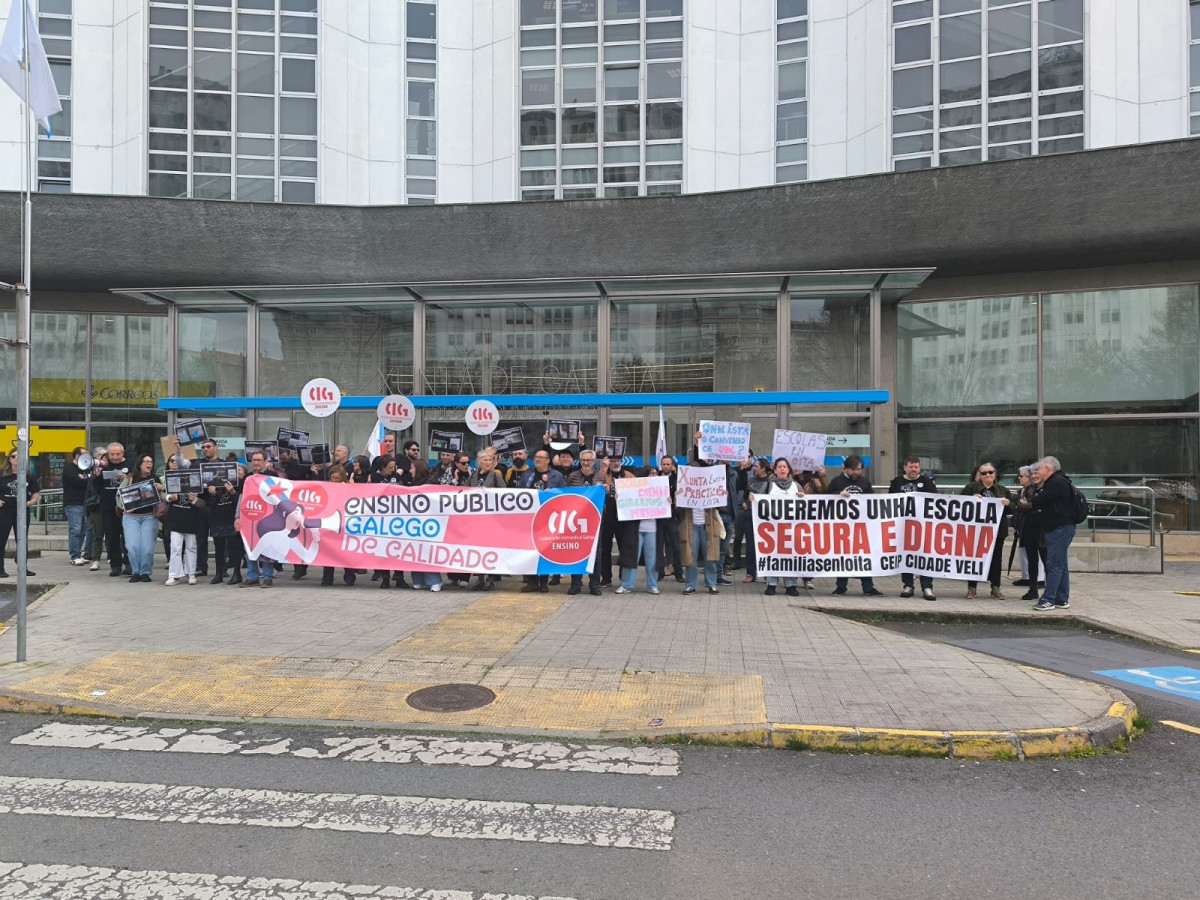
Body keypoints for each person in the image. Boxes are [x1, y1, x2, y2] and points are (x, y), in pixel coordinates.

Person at [1021, 456, 1075, 611]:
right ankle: (1061, 599)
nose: (1037, 471)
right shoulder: (1060, 481)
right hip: (1061, 527)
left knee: (1054, 565)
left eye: (1040, 468)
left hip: (1060, 528)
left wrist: (1030, 504)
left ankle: (1048, 599)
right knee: (1061, 565)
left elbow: (1040, 500)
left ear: (1049, 468)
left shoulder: (1056, 482)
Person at [828, 455, 882, 596]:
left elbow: (872, 502)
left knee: (864, 557)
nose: (857, 473)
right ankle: (841, 586)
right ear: (845, 468)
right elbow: (826, 499)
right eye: (854, 470)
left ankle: (868, 587)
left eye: (859, 470)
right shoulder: (836, 481)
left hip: (861, 527)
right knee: (843, 556)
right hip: (842, 527)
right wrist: (837, 494)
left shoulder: (864, 482)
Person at [960, 462, 1013, 600]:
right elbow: (959, 504)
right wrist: (970, 499)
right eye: (984, 473)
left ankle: (995, 587)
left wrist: (1008, 504)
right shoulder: (971, 488)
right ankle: (972, 588)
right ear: (980, 475)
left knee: (996, 559)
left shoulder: (1002, 490)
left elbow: (1013, 508)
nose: (987, 475)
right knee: (974, 558)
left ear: (995, 475)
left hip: (996, 531)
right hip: (976, 531)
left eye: (990, 472)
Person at [889, 456, 939, 601]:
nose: (914, 470)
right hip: (903, 526)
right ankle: (908, 585)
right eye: (911, 467)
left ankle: (927, 586)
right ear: (905, 467)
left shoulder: (927, 482)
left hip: (923, 526)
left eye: (916, 467)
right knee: (905, 555)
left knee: (924, 555)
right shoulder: (897, 482)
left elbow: (935, 501)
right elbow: (890, 502)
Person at [517, 449, 565, 592]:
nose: (537, 459)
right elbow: (520, 493)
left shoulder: (557, 476)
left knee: (544, 549)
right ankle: (532, 581)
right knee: (530, 549)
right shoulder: (527, 474)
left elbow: (564, 494)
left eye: (541, 457)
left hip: (548, 518)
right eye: (536, 457)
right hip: (530, 518)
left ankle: (543, 582)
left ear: (548, 460)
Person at [370, 455, 412, 589]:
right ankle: (385, 577)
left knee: (398, 548)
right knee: (383, 549)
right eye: (389, 467)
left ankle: (399, 577)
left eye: (393, 467)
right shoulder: (375, 477)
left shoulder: (396, 477)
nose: (392, 470)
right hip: (381, 518)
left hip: (396, 518)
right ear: (382, 467)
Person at [566, 449, 604, 596]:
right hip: (576, 522)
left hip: (595, 522)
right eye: (584, 460)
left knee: (596, 554)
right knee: (576, 552)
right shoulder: (572, 476)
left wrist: (605, 490)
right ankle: (576, 584)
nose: (586, 463)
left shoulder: (600, 477)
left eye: (589, 460)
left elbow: (605, 497)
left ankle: (594, 584)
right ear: (580, 461)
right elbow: (566, 495)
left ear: (594, 462)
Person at [118, 454, 161, 584]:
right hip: (131, 517)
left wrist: (161, 488)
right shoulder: (130, 478)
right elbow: (119, 495)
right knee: (132, 546)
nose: (149, 463)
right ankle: (136, 572)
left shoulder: (156, 479)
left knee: (147, 548)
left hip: (149, 517)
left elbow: (165, 495)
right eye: (146, 461)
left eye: (151, 461)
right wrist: (125, 506)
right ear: (140, 464)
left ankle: (145, 572)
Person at [467, 449, 505, 591]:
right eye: (485, 460)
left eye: (490, 460)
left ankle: (490, 577)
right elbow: (464, 491)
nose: (488, 463)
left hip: (491, 519)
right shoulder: (473, 476)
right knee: (477, 549)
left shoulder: (496, 476)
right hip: (476, 519)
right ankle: (480, 578)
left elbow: (504, 493)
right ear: (479, 462)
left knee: (490, 548)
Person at [763, 458, 801, 597]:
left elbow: (806, 505)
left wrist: (803, 498)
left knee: (791, 556)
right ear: (775, 470)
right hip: (773, 529)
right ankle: (771, 584)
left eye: (785, 466)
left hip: (792, 529)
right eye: (779, 467)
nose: (782, 469)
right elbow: (759, 503)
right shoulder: (768, 486)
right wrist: (753, 499)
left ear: (789, 470)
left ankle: (791, 585)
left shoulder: (796, 486)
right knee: (773, 555)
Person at [239, 450, 277, 588]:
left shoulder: (273, 476)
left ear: (265, 462)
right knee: (249, 547)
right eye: (253, 460)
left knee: (267, 547)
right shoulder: (248, 478)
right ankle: (252, 576)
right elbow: (241, 498)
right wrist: (237, 517)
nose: (255, 462)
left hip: (267, 517)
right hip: (250, 517)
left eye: (258, 460)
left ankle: (267, 577)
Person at [94, 442, 132, 577]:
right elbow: (96, 488)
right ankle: (115, 565)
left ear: (123, 453)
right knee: (111, 537)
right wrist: (96, 476)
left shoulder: (130, 465)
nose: (115, 457)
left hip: (126, 507)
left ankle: (129, 564)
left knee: (128, 537)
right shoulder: (103, 466)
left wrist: (127, 478)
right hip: (108, 507)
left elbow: (138, 482)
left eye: (118, 454)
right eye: (112, 454)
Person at [0, 450, 39, 578]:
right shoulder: (2, 474)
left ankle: (22, 566)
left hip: (22, 510)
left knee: (22, 539)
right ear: (9, 459)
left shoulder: (28, 475)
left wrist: (31, 502)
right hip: (5, 510)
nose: (16, 458)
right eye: (13, 456)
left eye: (19, 456)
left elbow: (35, 491)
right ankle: (0, 568)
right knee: (1, 539)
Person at [163, 474, 205, 586]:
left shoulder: (197, 482)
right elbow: (163, 494)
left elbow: (204, 503)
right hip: (176, 518)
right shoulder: (173, 479)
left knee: (191, 547)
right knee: (175, 548)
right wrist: (170, 498)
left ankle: (191, 574)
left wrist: (194, 499)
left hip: (191, 519)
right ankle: (174, 575)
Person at [205, 460, 241, 585]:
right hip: (217, 518)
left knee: (234, 547)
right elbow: (209, 504)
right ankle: (219, 573)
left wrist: (232, 492)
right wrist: (213, 494)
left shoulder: (236, 483)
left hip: (231, 517)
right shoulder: (212, 485)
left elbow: (239, 502)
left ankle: (237, 573)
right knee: (218, 548)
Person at [319, 465, 356, 587]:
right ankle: (327, 578)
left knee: (345, 551)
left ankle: (349, 575)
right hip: (330, 523)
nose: (334, 481)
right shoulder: (325, 488)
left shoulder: (347, 488)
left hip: (344, 522)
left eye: (337, 478)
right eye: (333, 478)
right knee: (329, 550)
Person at [1011, 466, 1045, 591]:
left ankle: (1038, 579)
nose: (1019, 478)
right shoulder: (1025, 489)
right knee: (1025, 552)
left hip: (1031, 526)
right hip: (1024, 525)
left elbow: (1027, 507)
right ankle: (1028, 577)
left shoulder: (1031, 490)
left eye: (1021, 476)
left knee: (1034, 554)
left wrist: (1023, 506)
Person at [194, 438, 223, 576]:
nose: (205, 449)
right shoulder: (198, 464)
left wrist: (217, 491)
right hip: (202, 505)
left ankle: (221, 568)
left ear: (215, 448)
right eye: (203, 447)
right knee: (201, 538)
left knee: (220, 539)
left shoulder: (224, 464)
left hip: (218, 506)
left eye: (208, 446)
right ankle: (201, 566)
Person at [61, 446, 94, 566]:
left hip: (85, 504)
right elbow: (78, 483)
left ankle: (78, 554)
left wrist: (86, 478)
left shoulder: (86, 468)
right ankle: (74, 556)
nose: (87, 456)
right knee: (75, 530)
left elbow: (91, 482)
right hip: (73, 503)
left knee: (83, 531)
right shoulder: (69, 468)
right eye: (84, 454)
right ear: (77, 455)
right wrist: (86, 479)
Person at [656, 454, 684, 585]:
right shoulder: (655, 478)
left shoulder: (677, 479)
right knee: (659, 546)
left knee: (676, 546)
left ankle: (678, 573)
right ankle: (659, 572)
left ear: (672, 465)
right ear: (661, 465)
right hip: (659, 517)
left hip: (672, 517)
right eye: (664, 464)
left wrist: (674, 499)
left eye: (668, 464)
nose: (666, 466)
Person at [741, 457, 770, 584]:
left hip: (765, 518)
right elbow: (745, 494)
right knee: (751, 545)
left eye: (756, 466)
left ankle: (767, 572)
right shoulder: (750, 480)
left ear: (763, 468)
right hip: (750, 515)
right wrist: (744, 503)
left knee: (766, 545)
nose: (753, 468)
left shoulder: (771, 482)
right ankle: (751, 572)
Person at [84, 446, 108, 570]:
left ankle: (112, 556)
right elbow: (89, 492)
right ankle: (96, 559)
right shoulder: (95, 473)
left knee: (112, 534)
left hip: (112, 507)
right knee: (97, 535)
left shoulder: (114, 471)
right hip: (98, 507)